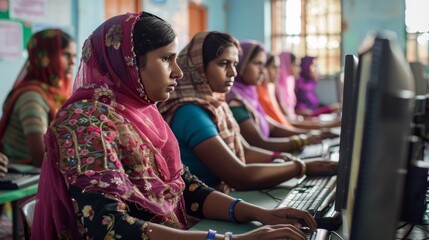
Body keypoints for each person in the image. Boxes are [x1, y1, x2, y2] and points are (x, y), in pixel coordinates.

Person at [32, 12, 321, 240]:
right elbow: (108, 227)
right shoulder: (84, 122)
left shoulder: (142, 114)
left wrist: (262, 214)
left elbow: (187, 189)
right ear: (130, 63)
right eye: (166, 59)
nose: (178, 71)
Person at [158, 31, 336, 193]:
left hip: (222, 199)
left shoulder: (217, 104)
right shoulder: (190, 111)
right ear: (198, 66)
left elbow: (246, 150)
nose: (232, 72)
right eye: (223, 64)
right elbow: (239, 176)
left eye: (235, 64)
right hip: (203, 212)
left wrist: (281, 158)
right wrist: (301, 167)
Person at [226, 40, 335, 153]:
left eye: (264, 65)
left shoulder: (250, 96)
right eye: (257, 64)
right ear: (241, 65)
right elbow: (259, 143)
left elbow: (273, 127)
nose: (263, 71)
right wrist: (304, 140)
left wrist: (313, 134)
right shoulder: (235, 100)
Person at [0, 29, 76, 167]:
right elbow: (41, 157)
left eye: (74, 56)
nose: (73, 62)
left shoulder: (55, 94)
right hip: (24, 176)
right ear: (44, 58)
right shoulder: (32, 97)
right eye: (66, 55)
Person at [275, 51, 341, 130]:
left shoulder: (291, 84)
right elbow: (295, 116)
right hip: (294, 124)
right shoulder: (296, 86)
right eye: (296, 65)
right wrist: (328, 114)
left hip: (299, 121)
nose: (299, 69)